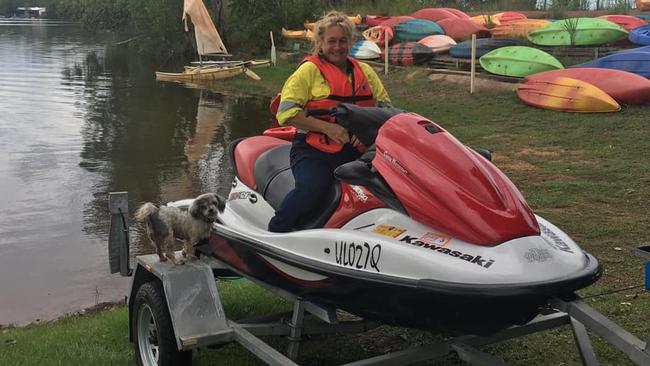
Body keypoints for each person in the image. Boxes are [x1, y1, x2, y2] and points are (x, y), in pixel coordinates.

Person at [268, 10, 391, 233]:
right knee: (312, 189)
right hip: (313, 151)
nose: (337, 47)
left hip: (357, 151)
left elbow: (385, 112)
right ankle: (276, 233)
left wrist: (365, 134)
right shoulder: (309, 71)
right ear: (321, 43)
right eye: (331, 41)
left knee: (387, 188)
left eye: (343, 41)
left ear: (351, 42)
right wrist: (328, 128)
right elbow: (286, 114)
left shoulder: (366, 72)